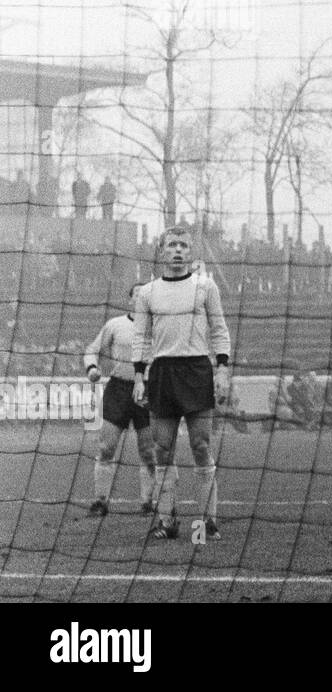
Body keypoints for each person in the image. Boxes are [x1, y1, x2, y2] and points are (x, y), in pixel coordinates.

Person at [133, 226, 233, 542]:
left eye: (183, 245)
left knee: (201, 446)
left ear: (191, 253)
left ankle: (207, 524)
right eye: (172, 245)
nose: (177, 250)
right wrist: (139, 375)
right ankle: (166, 520)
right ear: (162, 251)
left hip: (196, 371)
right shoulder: (147, 293)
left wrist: (222, 369)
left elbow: (219, 329)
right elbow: (140, 336)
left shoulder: (205, 287)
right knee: (161, 448)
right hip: (162, 373)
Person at [84, 283, 156, 516]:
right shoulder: (115, 325)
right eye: (137, 294)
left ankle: (148, 502)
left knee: (148, 451)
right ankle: (101, 501)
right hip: (118, 390)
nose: (141, 298)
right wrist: (92, 368)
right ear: (130, 300)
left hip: (148, 391)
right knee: (106, 447)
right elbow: (92, 349)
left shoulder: (159, 325)